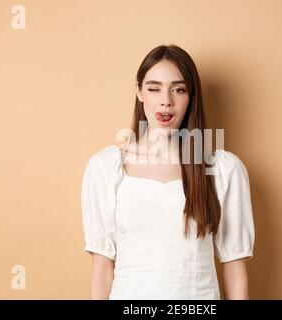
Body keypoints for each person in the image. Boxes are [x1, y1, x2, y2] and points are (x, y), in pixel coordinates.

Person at [81, 44, 255, 299]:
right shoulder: (106, 167)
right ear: (139, 92)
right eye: (154, 88)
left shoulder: (223, 170)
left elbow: (234, 267)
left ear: (191, 96)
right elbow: (102, 267)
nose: (166, 101)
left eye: (178, 89)